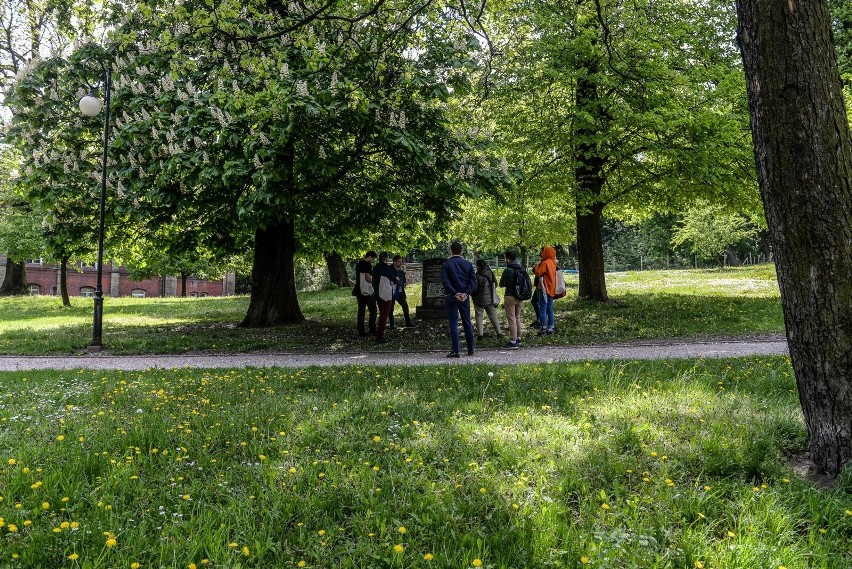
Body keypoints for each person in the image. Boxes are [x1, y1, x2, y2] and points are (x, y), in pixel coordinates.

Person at [441, 241, 477, 357]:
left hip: (451, 296)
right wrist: (466, 293)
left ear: (451, 251)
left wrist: (455, 293)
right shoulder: (468, 264)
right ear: (461, 251)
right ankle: (471, 349)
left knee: (453, 323)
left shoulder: (446, 264)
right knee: (467, 322)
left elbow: (445, 281)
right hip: (464, 297)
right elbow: (473, 281)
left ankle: (456, 351)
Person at [499, 250, 525, 349]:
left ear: (508, 259)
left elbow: (501, 284)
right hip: (520, 296)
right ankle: (518, 337)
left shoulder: (508, 270)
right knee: (517, 317)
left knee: (511, 318)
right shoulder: (521, 268)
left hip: (510, 296)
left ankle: (513, 341)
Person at [473, 259, 502, 340]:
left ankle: (480, 335)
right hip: (489, 298)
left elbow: (474, 288)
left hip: (478, 299)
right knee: (493, 315)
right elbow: (495, 284)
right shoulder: (490, 273)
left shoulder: (476, 275)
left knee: (479, 316)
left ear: (477, 266)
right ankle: (499, 333)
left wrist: (473, 295)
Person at [373, 252, 398, 344]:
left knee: (381, 315)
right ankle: (379, 337)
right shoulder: (386, 268)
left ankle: (378, 334)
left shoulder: (375, 268)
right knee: (384, 316)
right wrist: (396, 280)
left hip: (377, 294)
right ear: (386, 259)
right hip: (386, 294)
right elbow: (394, 279)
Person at [352, 251, 377, 338]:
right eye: (373, 259)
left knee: (361, 311)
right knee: (373, 310)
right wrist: (375, 282)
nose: (373, 260)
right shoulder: (367, 265)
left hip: (359, 290)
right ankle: (372, 329)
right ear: (369, 257)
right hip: (367, 291)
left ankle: (361, 331)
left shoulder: (359, 264)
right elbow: (367, 278)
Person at [533, 245, 557, 335]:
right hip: (551, 288)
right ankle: (551, 327)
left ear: (546, 253)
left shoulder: (545, 263)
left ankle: (543, 328)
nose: (541, 253)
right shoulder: (553, 262)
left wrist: (536, 265)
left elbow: (538, 273)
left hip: (543, 287)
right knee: (550, 308)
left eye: (543, 252)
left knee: (542, 308)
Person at [389, 255, 416, 329]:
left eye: (401, 261)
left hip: (400, 291)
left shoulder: (400, 270)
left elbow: (403, 281)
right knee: (391, 308)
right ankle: (392, 324)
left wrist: (404, 283)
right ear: (394, 262)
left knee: (405, 306)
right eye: (399, 261)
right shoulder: (389, 269)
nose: (400, 263)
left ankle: (408, 322)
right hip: (392, 291)